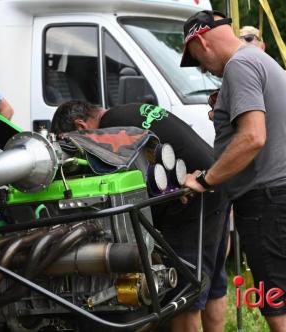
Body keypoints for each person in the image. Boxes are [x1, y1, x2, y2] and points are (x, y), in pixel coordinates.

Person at [180, 10, 286, 332]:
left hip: (268, 203)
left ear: (200, 42)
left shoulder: (239, 66)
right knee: (284, 304)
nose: (199, 67)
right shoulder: (259, 60)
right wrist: (223, 112)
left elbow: (253, 137)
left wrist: (205, 181)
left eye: (194, 58)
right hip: (281, 199)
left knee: (282, 313)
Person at [51, 100, 230, 332]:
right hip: (215, 180)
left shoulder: (110, 129)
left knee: (184, 295)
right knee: (213, 283)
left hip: (194, 196)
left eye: (72, 141)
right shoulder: (129, 111)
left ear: (81, 126)